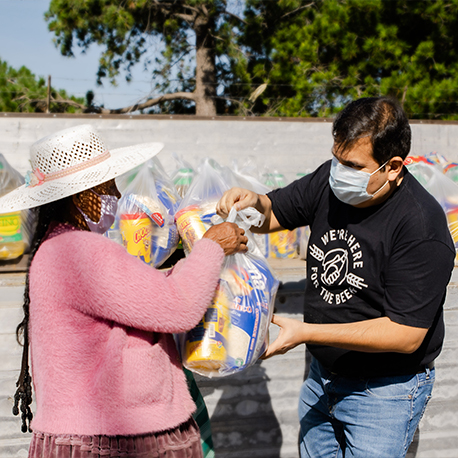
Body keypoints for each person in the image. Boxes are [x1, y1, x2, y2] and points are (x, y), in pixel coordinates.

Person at [216, 96, 455, 458]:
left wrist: (306, 332)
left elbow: (406, 334)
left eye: (353, 165)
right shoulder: (329, 183)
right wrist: (253, 201)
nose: (339, 171)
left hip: (383, 392)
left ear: (392, 167)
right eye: (336, 158)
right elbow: (272, 214)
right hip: (321, 377)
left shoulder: (420, 227)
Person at [1, 124, 248, 458]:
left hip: (84, 434)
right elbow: (178, 307)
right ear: (82, 195)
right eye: (108, 186)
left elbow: (139, 295)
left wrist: (181, 268)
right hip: (115, 441)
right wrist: (211, 246)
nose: (116, 196)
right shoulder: (82, 251)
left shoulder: (56, 249)